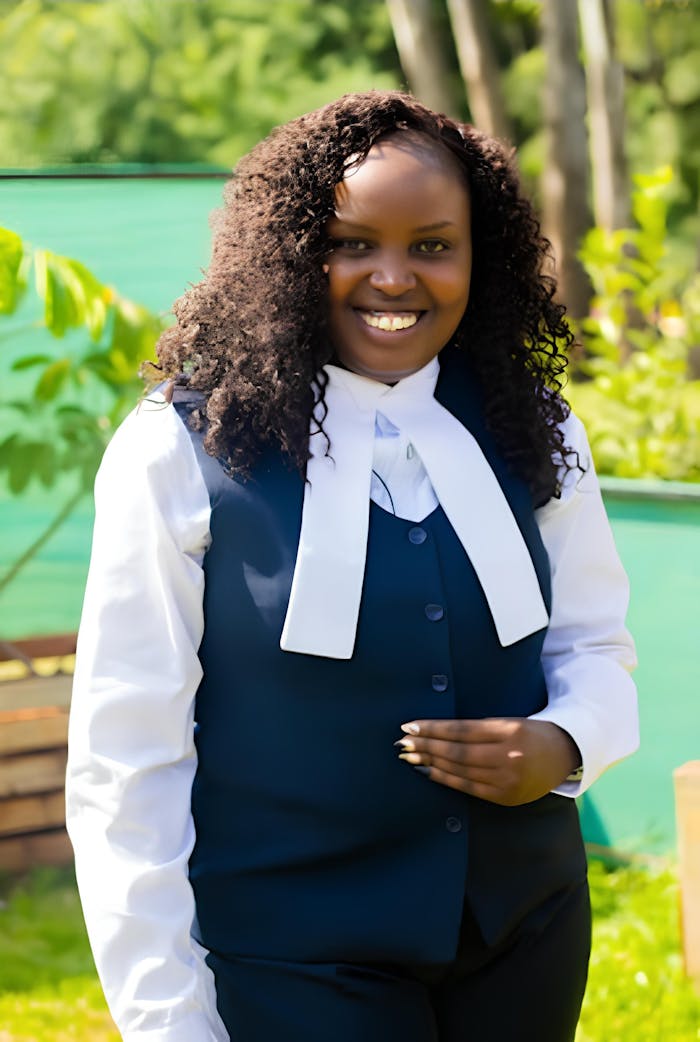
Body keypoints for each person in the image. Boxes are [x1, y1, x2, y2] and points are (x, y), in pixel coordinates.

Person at [66, 91, 638, 1042]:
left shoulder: (536, 426)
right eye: (350, 243)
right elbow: (126, 762)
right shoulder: (175, 449)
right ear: (292, 253)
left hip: (525, 937)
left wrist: (565, 744)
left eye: (433, 245)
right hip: (296, 956)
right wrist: (167, 1019)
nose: (394, 277)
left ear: (480, 256)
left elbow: (597, 650)